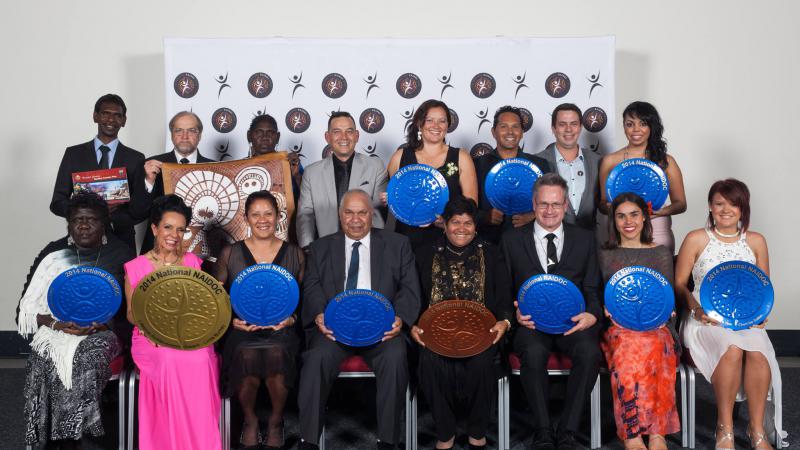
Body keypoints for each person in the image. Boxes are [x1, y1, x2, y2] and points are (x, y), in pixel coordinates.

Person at [297, 189, 421, 450]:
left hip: (381, 331)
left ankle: (387, 440)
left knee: (395, 356)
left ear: (371, 214)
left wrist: (400, 319)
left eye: (362, 212)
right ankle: (308, 440)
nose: (356, 219)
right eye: (349, 213)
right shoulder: (321, 247)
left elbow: (409, 288)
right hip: (334, 330)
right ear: (340, 215)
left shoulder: (397, 244)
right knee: (316, 358)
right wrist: (319, 314)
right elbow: (312, 286)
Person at [17, 192, 135, 449]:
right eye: (76, 220)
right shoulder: (53, 253)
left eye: (91, 220)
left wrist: (103, 325)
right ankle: (47, 439)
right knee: (42, 358)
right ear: (69, 224)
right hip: (57, 330)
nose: (83, 225)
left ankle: (79, 438)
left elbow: (132, 311)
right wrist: (57, 324)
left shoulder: (120, 253)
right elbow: (24, 310)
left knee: (84, 357)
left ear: (104, 224)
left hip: (105, 332)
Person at [676, 179, 784, 450]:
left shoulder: (756, 241)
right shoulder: (696, 238)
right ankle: (724, 428)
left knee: (758, 350)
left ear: (743, 208)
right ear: (710, 207)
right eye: (718, 203)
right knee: (732, 347)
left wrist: (761, 314)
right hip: (704, 315)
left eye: (732, 204)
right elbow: (679, 284)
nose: (725, 210)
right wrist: (695, 308)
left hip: (744, 316)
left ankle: (756, 429)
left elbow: (762, 287)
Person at [501, 173, 602, 450]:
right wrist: (513, 316)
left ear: (566, 205)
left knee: (590, 352)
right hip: (531, 325)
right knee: (532, 354)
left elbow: (593, 288)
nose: (549, 211)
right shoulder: (511, 240)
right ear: (533, 204)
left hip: (573, 324)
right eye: (544, 204)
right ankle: (543, 431)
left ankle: (568, 431)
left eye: (556, 204)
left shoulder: (585, 239)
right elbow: (503, 290)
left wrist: (592, 315)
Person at [411, 195, 513, 450]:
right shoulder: (425, 254)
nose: (461, 228)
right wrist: (412, 324)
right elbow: (413, 296)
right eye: (455, 222)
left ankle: (476, 432)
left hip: (482, 332)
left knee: (482, 362)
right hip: (435, 333)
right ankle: (445, 433)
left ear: (476, 227)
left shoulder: (491, 253)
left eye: (468, 223)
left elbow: (504, 295)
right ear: (444, 224)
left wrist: (505, 323)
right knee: (429, 361)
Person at [124, 194, 221, 450]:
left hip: (188, 335)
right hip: (149, 337)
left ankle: (201, 442)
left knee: (202, 358)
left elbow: (200, 307)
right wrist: (157, 330)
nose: (174, 235)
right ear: (155, 228)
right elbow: (132, 315)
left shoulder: (192, 263)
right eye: (168, 227)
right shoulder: (135, 266)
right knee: (168, 360)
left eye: (180, 229)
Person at [213, 190, 304, 450]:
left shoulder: (296, 254)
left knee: (277, 351)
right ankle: (251, 420)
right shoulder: (230, 254)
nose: (262, 219)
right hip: (243, 329)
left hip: (281, 330)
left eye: (268, 213)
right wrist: (230, 321)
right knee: (246, 353)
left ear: (278, 217)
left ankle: (275, 421)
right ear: (246, 218)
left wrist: (291, 320)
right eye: (256, 214)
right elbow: (215, 298)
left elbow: (302, 301)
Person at [598, 192, 679, 450]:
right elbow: (597, 293)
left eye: (634, 214)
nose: (628, 221)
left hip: (657, 327)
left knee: (656, 344)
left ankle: (657, 432)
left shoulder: (661, 254)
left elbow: (667, 298)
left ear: (645, 217)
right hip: (617, 328)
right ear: (614, 221)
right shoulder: (603, 254)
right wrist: (603, 308)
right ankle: (631, 433)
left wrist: (666, 314)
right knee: (629, 348)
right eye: (621, 216)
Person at [50, 94, 147, 250]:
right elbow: (57, 202)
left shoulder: (136, 159)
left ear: (124, 121)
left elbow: (140, 209)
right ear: (95, 116)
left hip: (121, 240)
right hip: (81, 239)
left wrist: (112, 219)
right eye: (105, 113)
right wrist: (86, 214)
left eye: (117, 115)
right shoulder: (73, 154)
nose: (111, 120)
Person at [386, 99, 478, 250]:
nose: (436, 126)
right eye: (430, 120)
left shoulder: (461, 157)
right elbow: (395, 202)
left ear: (447, 126)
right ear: (419, 124)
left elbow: (471, 207)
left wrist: (446, 221)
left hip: (449, 242)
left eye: (442, 121)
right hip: (408, 240)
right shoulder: (400, 157)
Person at [599, 101, 686, 254]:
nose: (636, 129)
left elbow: (681, 204)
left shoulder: (666, 161)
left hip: (657, 231)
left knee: (659, 277)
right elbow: (602, 203)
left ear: (651, 126)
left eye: (643, 123)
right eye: (630, 124)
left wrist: (661, 212)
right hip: (622, 233)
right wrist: (620, 211)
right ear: (624, 126)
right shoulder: (610, 161)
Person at [297, 111, 388, 249]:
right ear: (327, 137)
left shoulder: (376, 167)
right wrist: (308, 249)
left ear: (357, 136)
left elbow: (378, 212)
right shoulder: (311, 173)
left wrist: (374, 249)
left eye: (349, 131)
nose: (344, 137)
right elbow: (305, 215)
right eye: (337, 132)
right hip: (325, 249)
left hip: (366, 248)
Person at [139, 111, 215, 254]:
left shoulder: (215, 168)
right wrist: (149, 181)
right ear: (172, 134)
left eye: (192, 130)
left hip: (202, 250)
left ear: (199, 135)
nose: (185, 136)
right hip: (158, 250)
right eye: (178, 130)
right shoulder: (151, 166)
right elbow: (138, 212)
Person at [474, 106, 551, 244]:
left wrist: (534, 215)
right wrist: (485, 217)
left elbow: (553, 202)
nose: (510, 132)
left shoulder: (540, 165)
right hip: (488, 243)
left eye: (515, 127)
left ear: (521, 132)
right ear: (493, 132)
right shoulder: (477, 165)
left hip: (529, 243)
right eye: (503, 126)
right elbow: (466, 206)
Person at [534, 103, 601, 231]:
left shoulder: (597, 160)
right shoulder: (537, 161)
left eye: (574, 124)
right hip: (550, 240)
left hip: (589, 240)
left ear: (580, 127)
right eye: (562, 124)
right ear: (553, 129)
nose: (568, 129)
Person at [247, 113, 303, 192]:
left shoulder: (290, 163)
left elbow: (309, 199)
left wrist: (297, 177)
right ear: (249, 136)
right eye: (259, 132)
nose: (265, 137)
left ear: (278, 137)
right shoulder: (237, 168)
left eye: (270, 133)